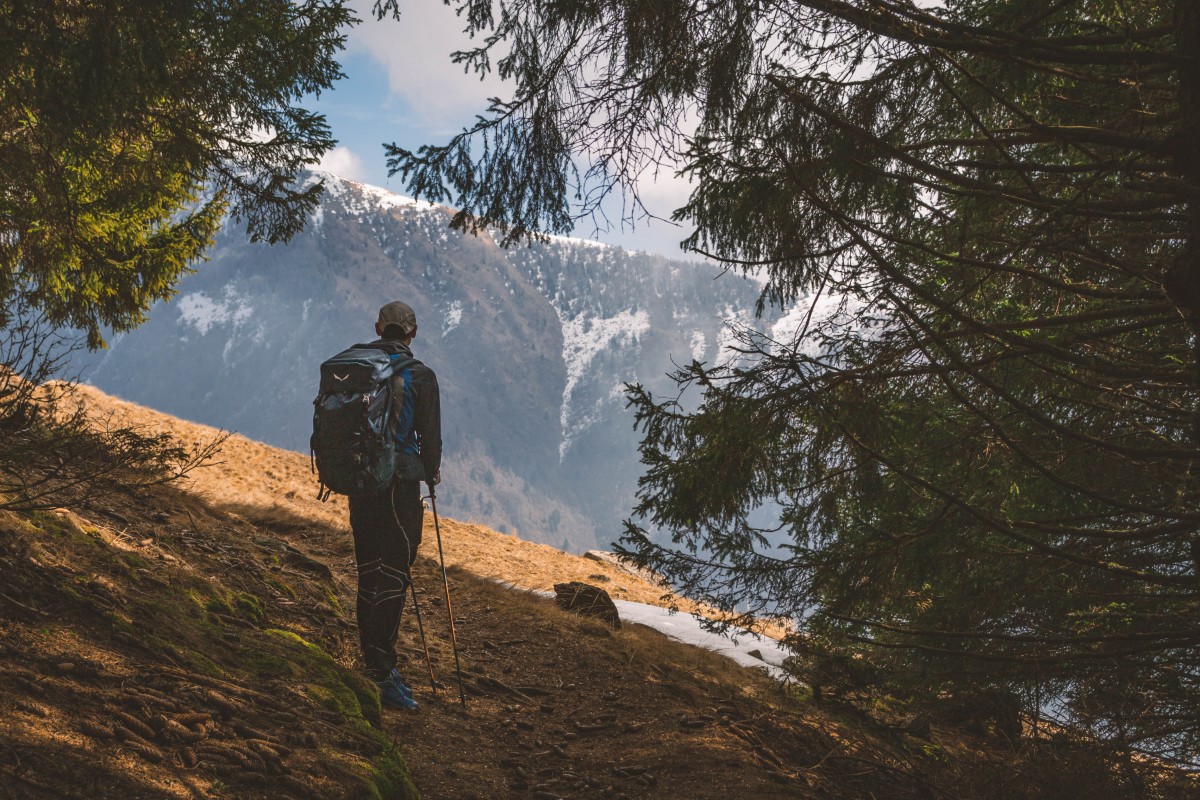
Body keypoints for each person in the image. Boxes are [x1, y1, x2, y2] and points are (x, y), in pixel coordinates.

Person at [350, 300, 441, 710]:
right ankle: (382, 672)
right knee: (393, 576)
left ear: (377, 326)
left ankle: (376, 663)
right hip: (399, 485)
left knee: (368, 572)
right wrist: (431, 471)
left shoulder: (354, 367)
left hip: (361, 482)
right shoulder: (420, 375)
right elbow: (431, 440)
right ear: (413, 332)